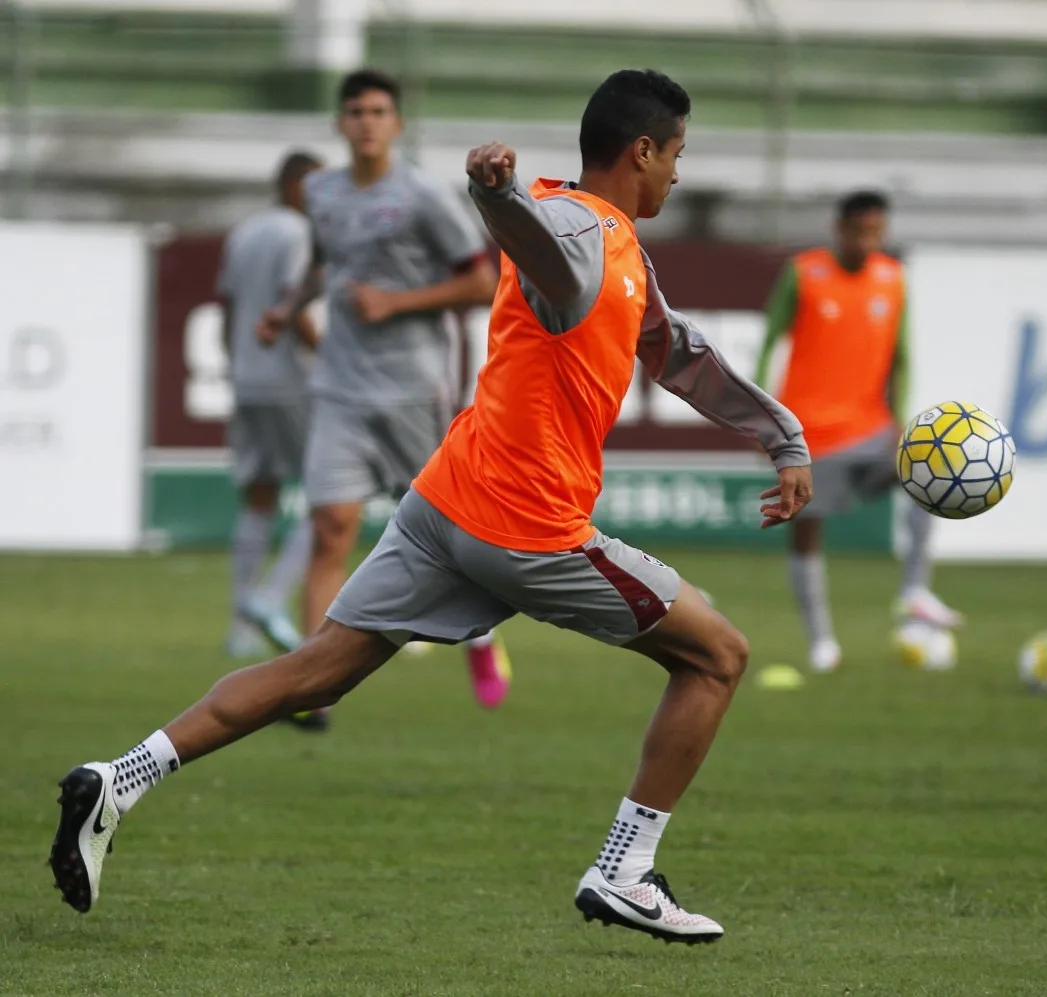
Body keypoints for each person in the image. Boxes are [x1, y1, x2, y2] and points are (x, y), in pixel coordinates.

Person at [49, 69, 813, 944]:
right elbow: (541, 250)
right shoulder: (574, 226)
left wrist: (781, 434)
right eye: (676, 154)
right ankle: (624, 869)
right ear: (642, 151)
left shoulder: (616, 245)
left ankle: (120, 776)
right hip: (527, 527)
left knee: (317, 668)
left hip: (446, 499)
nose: (678, 174)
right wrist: (497, 196)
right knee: (718, 654)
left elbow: (679, 351)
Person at [253, 69, 512, 721]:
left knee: (450, 534)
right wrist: (287, 309)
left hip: (409, 388)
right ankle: (308, 689)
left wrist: (397, 302)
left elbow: (483, 282)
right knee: (330, 526)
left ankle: (480, 638)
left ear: (395, 123)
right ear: (340, 125)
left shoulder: (425, 195)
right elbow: (321, 265)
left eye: (378, 111)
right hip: (339, 385)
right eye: (355, 112)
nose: (367, 122)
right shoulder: (321, 191)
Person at [755, 191, 963, 674]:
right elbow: (768, 343)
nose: (869, 241)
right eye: (861, 231)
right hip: (811, 437)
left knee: (927, 470)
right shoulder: (804, 272)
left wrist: (898, 418)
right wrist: (764, 420)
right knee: (806, 535)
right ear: (840, 229)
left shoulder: (892, 279)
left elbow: (902, 355)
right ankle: (821, 642)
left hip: (871, 428)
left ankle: (914, 590)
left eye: (877, 232)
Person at [218, 150, 324, 661]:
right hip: (291, 379)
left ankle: (239, 626)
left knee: (258, 496)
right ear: (294, 187)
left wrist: (236, 364)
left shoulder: (245, 232)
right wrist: (336, 360)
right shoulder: (299, 235)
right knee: (327, 494)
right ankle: (270, 596)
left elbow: (230, 310)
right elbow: (293, 308)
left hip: (246, 378)